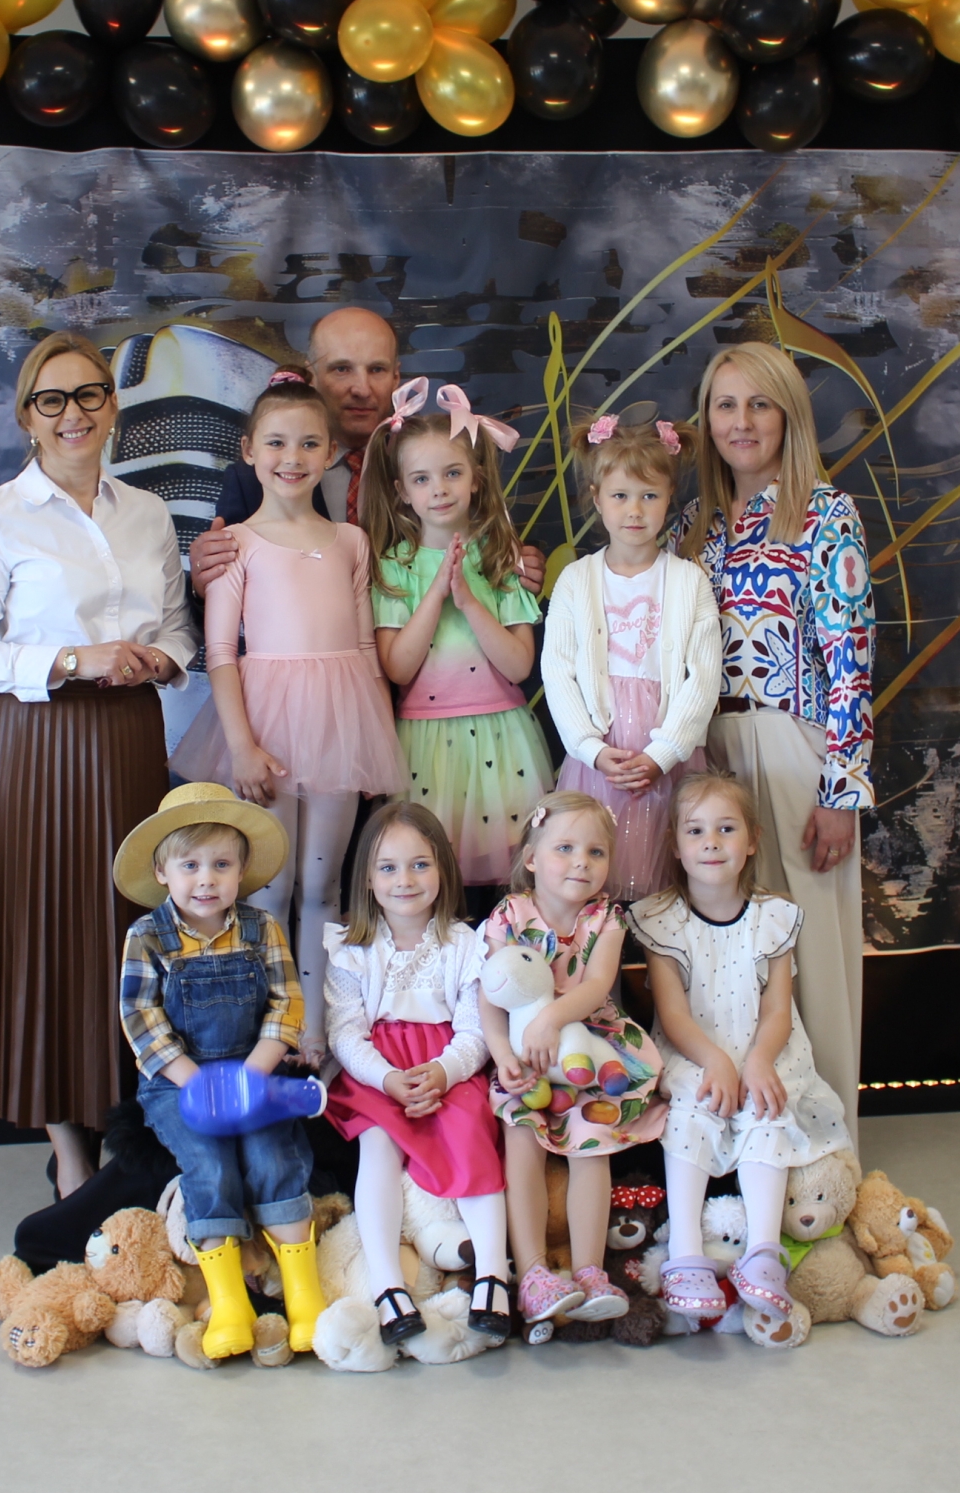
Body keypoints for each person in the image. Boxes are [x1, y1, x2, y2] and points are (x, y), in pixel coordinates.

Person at [0, 331, 191, 1199]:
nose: (72, 413)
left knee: (130, 929)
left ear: (112, 406)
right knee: (49, 931)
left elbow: (177, 628)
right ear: (28, 417)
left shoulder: (148, 513)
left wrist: (159, 659)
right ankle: (69, 1148)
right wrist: (75, 659)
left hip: (130, 739)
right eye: (52, 400)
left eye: (88, 395)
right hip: (40, 746)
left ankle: (133, 1124)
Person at [674, 340, 875, 1134]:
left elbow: (851, 660)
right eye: (726, 404)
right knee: (728, 957)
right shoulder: (693, 525)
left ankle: (830, 1144)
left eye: (760, 403)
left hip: (793, 746)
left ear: (789, 416)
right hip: (710, 753)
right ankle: (742, 1147)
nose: (742, 421)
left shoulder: (824, 515)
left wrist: (841, 791)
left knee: (808, 949)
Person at [170, 375, 403, 1023]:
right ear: (249, 450)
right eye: (276, 442)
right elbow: (221, 652)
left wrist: (374, 743)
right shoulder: (237, 544)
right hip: (266, 728)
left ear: (330, 451)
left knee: (324, 888)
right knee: (270, 889)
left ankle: (321, 1029)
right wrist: (242, 746)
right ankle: (274, 1024)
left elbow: (364, 650)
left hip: (338, 730)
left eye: (308, 443)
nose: (292, 457)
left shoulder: (351, 542)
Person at [629, 771, 855, 1331]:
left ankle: (762, 1253)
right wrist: (716, 1061)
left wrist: (756, 1061)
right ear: (676, 846)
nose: (711, 842)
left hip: (763, 1048)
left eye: (726, 829)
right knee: (692, 1111)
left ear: (752, 840)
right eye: (696, 831)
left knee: (765, 1108)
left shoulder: (773, 916)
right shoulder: (663, 919)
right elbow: (674, 1014)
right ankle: (685, 1255)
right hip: (696, 1050)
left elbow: (778, 1009)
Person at [112, 783, 325, 1359]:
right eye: (190, 866)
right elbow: (140, 1019)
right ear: (162, 872)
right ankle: (230, 1301)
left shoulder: (261, 928)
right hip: (179, 1082)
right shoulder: (147, 937)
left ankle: (304, 1294)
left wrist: (252, 1076)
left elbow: (287, 1004)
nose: (206, 880)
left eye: (221, 865)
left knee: (272, 1155)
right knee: (209, 1164)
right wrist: (199, 1082)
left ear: (242, 871)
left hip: (252, 1071)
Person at [322, 801, 514, 1343]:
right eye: (388, 867)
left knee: (472, 1131)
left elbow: (476, 1029)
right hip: (377, 1072)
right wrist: (387, 1079)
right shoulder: (351, 949)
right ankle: (389, 1287)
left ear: (443, 870)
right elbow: (344, 1032)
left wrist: (445, 1072)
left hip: (446, 1065)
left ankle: (493, 1276)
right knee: (378, 1144)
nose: (404, 880)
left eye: (419, 864)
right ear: (367, 879)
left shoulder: (465, 945)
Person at [189, 306, 545, 593]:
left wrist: (517, 569)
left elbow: (484, 551)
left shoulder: (435, 465)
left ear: (396, 378)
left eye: (376, 369)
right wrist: (204, 583)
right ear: (311, 375)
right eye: (341, 369)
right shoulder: (255, 479)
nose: (361, 388)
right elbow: (225, 599)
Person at [480, 790, 666, 1329]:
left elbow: (597, 984)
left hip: (592, 1046)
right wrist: (502, 1053)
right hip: (525, 1052)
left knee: (592, 1143)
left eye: (595, 852)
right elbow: (489, 993)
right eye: (564, 848)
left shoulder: (605, 917)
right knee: (520, 1135)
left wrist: (552, 1019)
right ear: (531, 858)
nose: (581, 862)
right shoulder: (509, 915)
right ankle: (533, 1274)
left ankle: (590, 1271)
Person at [365, 378, 555, 900]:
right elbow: (398, 668)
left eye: (452, 473)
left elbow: (518, 665)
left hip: (501, 736)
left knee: (508, 882)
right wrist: (436, 593)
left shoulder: (500, 556)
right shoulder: (394, 566)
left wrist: (468, 599)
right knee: (430, 876)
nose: (440, 489)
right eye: (422, 478)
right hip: (424, 742)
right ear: (403, 491)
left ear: (475, 478)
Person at [541, 414, 721, 900]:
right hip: (600, 758)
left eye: (649, 496)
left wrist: (662, 755)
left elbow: (703, 680)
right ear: (597, 497)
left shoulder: (689, 581)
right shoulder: (576, 581)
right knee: (596, 870)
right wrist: (592, 749)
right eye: (620, 496)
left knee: (666, 878)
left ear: (669, 497)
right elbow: (557, 672)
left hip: (668, 757)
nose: (634, 511)